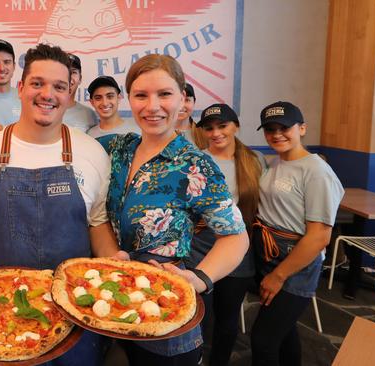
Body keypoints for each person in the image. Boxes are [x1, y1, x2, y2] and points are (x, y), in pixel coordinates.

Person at [0, 43, 124, 366]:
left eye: (59, 86)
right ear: (21, 87)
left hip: (76, 317)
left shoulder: (92, 153)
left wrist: (115, 266)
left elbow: (96, 223)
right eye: (38, 83)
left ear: (70, 94)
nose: (47, 94)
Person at [97, 54, 249, 365]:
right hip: (116, 299)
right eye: (141, 95)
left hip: (166, 309)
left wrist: (200, 278)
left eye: (164, 94)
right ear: (129, 99)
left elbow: (236, 237)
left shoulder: (195, 164)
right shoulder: (118, 148)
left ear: (182, 98)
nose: (152, 106)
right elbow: (59, 138)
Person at [250, 101, 344, 366]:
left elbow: (319, 236)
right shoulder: (275, 162)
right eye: (270, 129)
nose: (277, 134)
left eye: (284, 127)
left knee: (263, 339)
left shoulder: (317, 172)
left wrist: (279, 275)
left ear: (302, 128)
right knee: (284, 330)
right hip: (269, 254)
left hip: (295, 263)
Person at [185, 104, 263, 366]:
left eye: (223, 126)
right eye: (209, 128)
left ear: (236, 126)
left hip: (236, 251)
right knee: (199, 316)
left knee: (228, 319)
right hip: (198, 249)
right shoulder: (194, 159)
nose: (216, 133)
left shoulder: (253, 161)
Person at [62, 53, 98, 132]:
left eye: (73, 72)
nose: (69, 77)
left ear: (80, 78)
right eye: (65, 71)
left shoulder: (89, 114)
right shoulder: (46, 108)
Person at [175, 83, 205, 148]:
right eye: (177, 100)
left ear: (194, 102)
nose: (181, 106)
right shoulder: (157, 133)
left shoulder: (204, 133)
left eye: (187, 100)